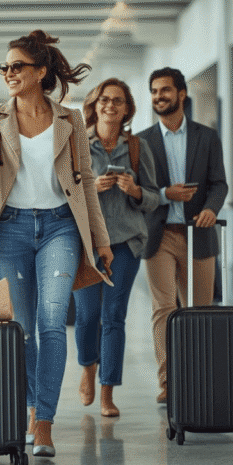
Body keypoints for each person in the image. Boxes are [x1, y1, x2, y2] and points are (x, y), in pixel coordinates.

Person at [0, 30, 112, 458]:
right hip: (10, 231)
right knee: (23, 330)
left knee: (52, 320)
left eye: (16, 66)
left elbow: (85, 186)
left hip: (61, 228)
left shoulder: (71, 120)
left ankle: (44, 423)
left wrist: (100, 240)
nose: (8, 73)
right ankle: (29, 409)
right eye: (4, 67)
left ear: (40, 72)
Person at [136, 67, 228, 404]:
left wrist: (211, 209)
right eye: (154, 91)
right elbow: (140, 192)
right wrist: (164, 194)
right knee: (163, 309)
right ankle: (168, 383)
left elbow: (219, 183)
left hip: (198, 235)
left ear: (181, 94)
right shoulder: (142, 141)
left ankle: (197, 378)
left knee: (198, 309)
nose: (159, 97)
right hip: (158, 236)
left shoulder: (207, 137)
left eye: (165, 90)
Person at [73, 78, 159, 418]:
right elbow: (62, 193)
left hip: (125, 242)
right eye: (104, 99)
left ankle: (108, 392)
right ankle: (87, 370)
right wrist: (92, 185)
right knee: (87, 314)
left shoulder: (138, 148)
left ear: (127, 109)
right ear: (94, 105)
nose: (111, 105)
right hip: (87, 243)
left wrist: (135, 190)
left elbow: (153, 198)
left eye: (118, 101)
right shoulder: (78, 144)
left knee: (113, 317)